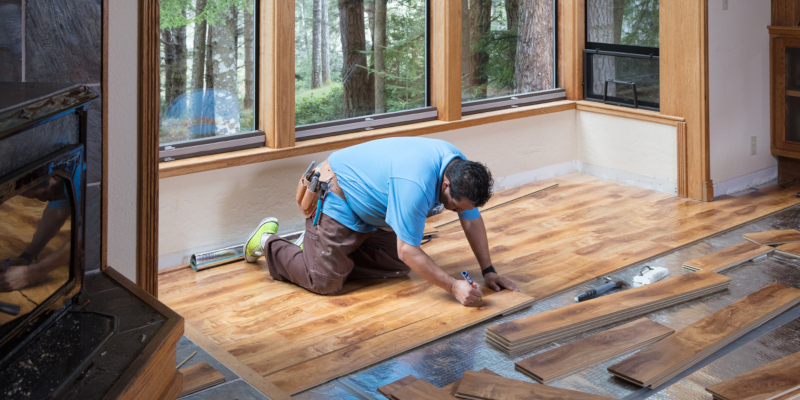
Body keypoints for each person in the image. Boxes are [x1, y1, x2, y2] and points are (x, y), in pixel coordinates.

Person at [244, 137, 518, 306]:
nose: (458, 212)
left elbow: (471, 220)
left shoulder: (460, 171)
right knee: (325, 281)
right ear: (446, 184)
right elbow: (408, 249)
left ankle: (320, 249)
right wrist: (452, 286)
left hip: (372, 211)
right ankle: (269, 242)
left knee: (397, 267)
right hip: (338, 196)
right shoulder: (415, 185)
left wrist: (489, 270)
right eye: (455, 207)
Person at [0, 177, 71, 292]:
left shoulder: (84, 183)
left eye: (42, 193)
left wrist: (29, 274)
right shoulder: (59, 184)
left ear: (53, 177)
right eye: (36, 197)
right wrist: (27, 256)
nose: (43, 200)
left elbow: (83, 239)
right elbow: (57, 211)